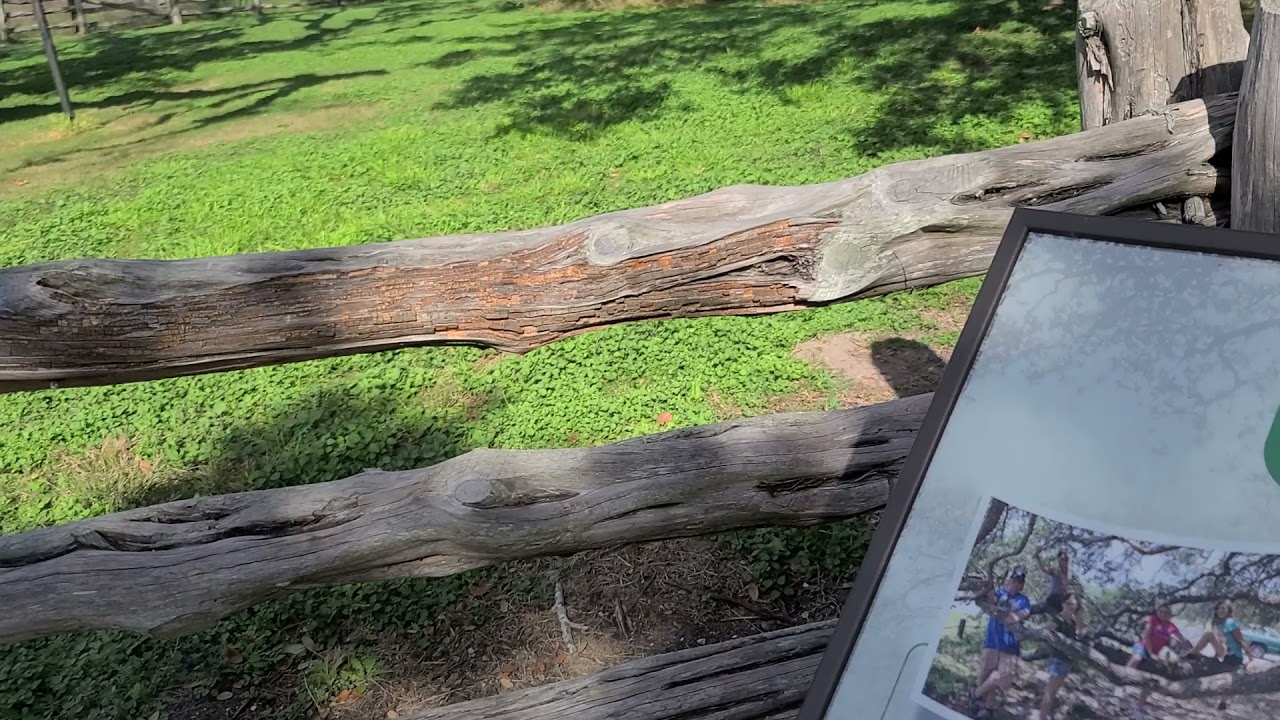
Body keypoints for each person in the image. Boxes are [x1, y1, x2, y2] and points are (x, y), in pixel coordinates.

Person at [967, 566, 1032, 719]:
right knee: (985, 675)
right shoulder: (1001, 593)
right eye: (1014, 580)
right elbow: (991, 599)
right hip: (992, 641)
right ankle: (985, 709)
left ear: (1023, 585)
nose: (1016, 584)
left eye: (1020, 582)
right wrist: (986, 585)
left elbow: (1026, 611)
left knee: (1002, 677)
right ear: (1010, 580)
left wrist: (1017, 617)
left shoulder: (1023, 599)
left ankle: (975, 694)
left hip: (1010, 646)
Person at [1124, 603, 1192, 719]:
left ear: (1170, 614)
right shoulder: (1153, 620)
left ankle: (1139, 709)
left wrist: (1193, 651)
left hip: (1155, 653)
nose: (1163, 614)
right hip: (1143, 647)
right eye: (1161, 612)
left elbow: (1182, 640)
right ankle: (1122, 684)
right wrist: (1150, 653)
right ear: (1157, 612)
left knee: (1150, 681)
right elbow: (1146, 637)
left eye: (1166, 612)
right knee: (1136, 659)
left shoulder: (1172, 627)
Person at [1030, 593, 1086, 720]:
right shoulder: (1058, 619)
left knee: (1054, 691)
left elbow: (1080, 635)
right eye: (1069, 604)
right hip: (1057, 659)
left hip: (1067, 660)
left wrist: (1080, 619)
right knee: (1050, 690)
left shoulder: (1072, 622)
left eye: (1074, 605)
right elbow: (1046, 631)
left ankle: (1045, 715)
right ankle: (1042, 716)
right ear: (1063, 604)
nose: (1071, 607)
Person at [1184, 600, 1252, 670]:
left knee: (1208, 634)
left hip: (1234, 657)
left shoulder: (1230, 623)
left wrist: (1251, 659)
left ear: (1228, 610)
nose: (1220, 611)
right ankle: (1193, 653)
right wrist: (1216, 656)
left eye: (1223, 608)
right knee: (1210, 635)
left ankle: (1191, 654)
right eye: (1218, 608)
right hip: (1226, 655)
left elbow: (1241, 641)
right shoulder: (1221, 624)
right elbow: (1220, 641)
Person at [1032, 549, 1072, 617]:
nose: (1064, 561)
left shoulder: (1067, 575)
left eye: (1066, 559)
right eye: (1062, 559)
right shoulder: (1055, 571)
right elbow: (1043, 569)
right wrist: (1038, 558)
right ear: (1059, 560)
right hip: (1052, 599)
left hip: (1060, 602)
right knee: (1032, 609)